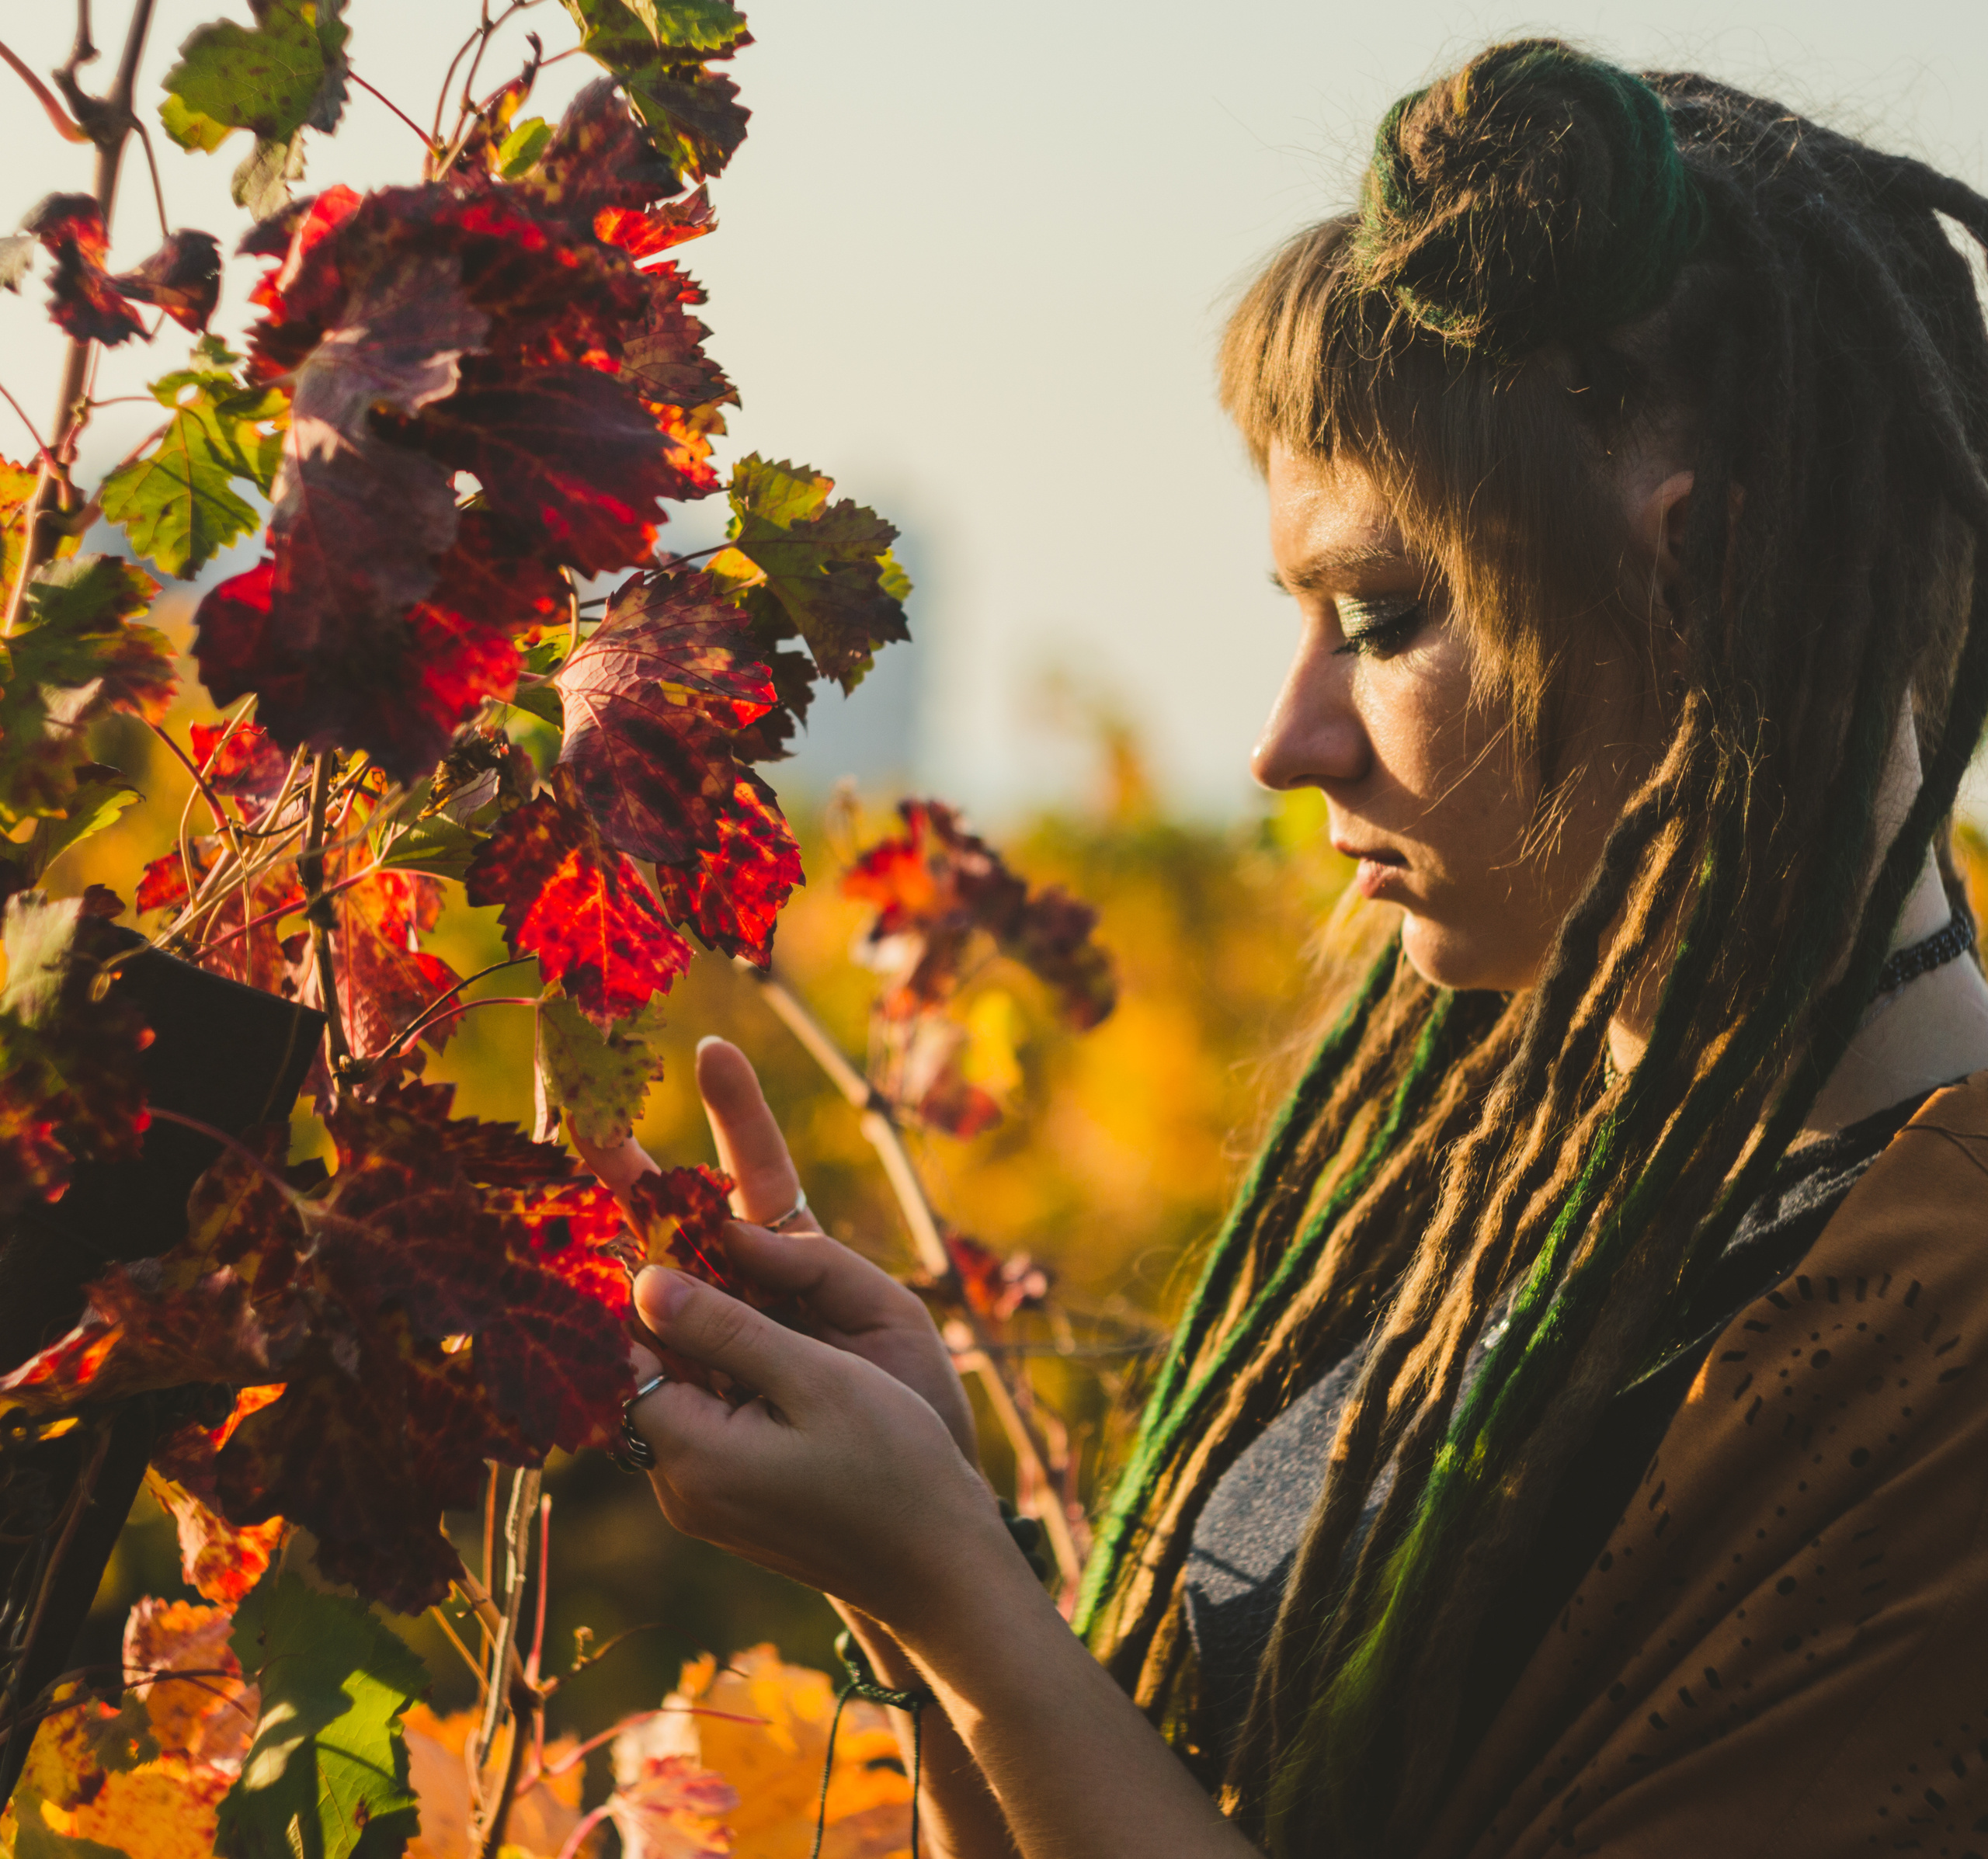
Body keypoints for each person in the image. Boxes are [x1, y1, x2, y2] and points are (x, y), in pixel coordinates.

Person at [576, 40, 1988, 1858]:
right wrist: (921, 1544)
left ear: (1696, 578)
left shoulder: (1944, 1324)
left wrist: (961, 1603)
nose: (1280, 741)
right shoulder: (1500, 1179)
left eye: (1381, 617)